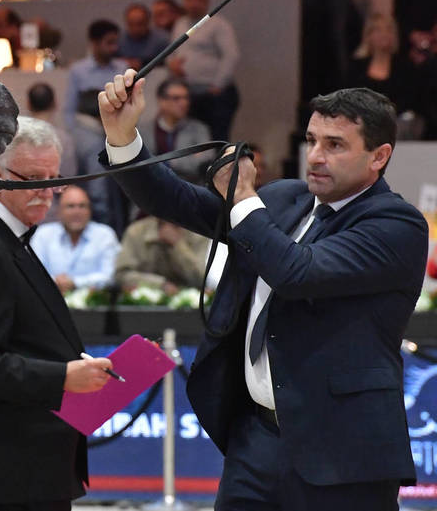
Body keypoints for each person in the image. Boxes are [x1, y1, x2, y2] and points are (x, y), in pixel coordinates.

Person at [99, 73, 428, 511]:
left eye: (335, 145)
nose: (315, 156)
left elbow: (297, 272)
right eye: (311, 140)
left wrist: (244, 198)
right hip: (257, 437)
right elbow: (178, 202)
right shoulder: (282, 199)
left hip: (344, 451)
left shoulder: (395, 224)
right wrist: (123, 138)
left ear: (378, 156)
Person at [0, 116, 114, 510]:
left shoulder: (8, 235)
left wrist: (74, 363)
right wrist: (64, 376)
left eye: (54, 178)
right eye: (34, 178)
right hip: (12, 451)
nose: (48, 192)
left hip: (33, 447)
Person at [64, 19, 129, 233]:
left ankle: (120, 231)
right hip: (89, 132)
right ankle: (101, 229)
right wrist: (74, 140)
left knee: (126, 184)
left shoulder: (121, 68)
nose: (114, 48)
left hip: (118, 130)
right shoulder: (78, 70)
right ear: (94, 42)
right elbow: (69, 112)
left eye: (115, 43)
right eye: (108, 43)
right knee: (98, 183)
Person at [169, 0, 241, 140]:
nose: (194, 3)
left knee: (216, 140)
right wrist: (172, 64)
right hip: (190, 94)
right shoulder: (179, 23)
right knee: (192, 140)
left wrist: (218, 85)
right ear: (184, 1)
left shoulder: (218, 24)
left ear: (207, 2)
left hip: (215, 95)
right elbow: (173, 52)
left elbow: (231, 55)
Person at [31, 185, 121, 293]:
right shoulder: (43, 234)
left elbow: (111, 276)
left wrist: (75, 283)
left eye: (82, 206)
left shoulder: (105, 235)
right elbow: (34, 274)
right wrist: (56, 282)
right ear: (59, 210)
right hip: (50, 300)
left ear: (90, 210)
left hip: (93, 305)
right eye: (70, 206)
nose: (77, 212)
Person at [346, 13, 426, 135]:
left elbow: (411, 101)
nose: (384, 34)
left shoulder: (405, 68)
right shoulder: (356, 68)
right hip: (362, 126)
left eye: (388, 30)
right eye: (378, 30)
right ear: (368, 36)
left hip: (398, 127)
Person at [137, 78, 212, 182]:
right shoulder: (144, 130)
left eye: (186, 98)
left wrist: (165, 162)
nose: (184, 103)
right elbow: (140, 164)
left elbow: (205, 161)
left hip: (189, 188)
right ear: (161, 100)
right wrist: (189, 159)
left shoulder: (198, 129)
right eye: (176, 98)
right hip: (152, 188)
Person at [115, 217, 209, 293]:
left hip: (188, 306)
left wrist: (178, 245)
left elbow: (201, 279)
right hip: (142, 305)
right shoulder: (136, 231)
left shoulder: (200, 233)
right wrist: (160, 284)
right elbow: (121, 275)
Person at [26, 81, 77, 177]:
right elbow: (69, 175)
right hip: (57, 190)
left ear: (28, 104)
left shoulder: (17, 137)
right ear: (55, 103)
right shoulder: (64, 139)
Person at [119, 3, 169, 69]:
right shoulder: (118, 40)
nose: (135, 28)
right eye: (131, 24)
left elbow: (167, 63)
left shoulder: (161, 40)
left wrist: (142, 63)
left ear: (148, 22)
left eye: (139, 24)